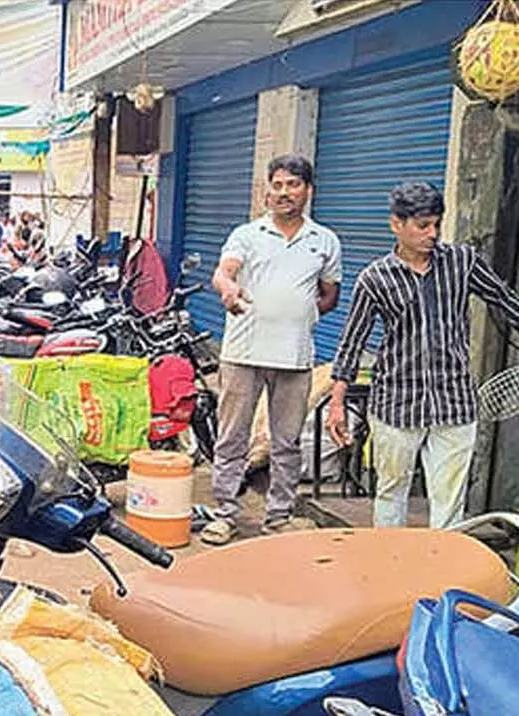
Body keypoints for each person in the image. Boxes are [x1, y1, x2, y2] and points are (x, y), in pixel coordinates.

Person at [327, 182, 519, 528]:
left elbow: (505, 300)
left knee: (449, 501)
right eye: (422, 226)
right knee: (390, 493)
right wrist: (337, 403)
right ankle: (391, 569)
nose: (432, 234)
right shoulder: (375, 278)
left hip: (455, 403)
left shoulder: (463, 262)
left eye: (437, 224)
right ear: (396, 224)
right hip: (397, 405)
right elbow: (351, 342)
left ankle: (441, 574)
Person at [202, 154, 342, 545]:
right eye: (277, 185)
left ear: (308, 191)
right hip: (242, 355)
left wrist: (299, 315)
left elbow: (330, 294)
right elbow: (224, 271)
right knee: (232, 438)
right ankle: (224, 514)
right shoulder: (247, 235)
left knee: (286, 443)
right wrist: (228, 288)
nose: (284, 193)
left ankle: (278, 516)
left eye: (292, 185)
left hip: (295, 359)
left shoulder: (324, 241)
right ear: (268, 191)